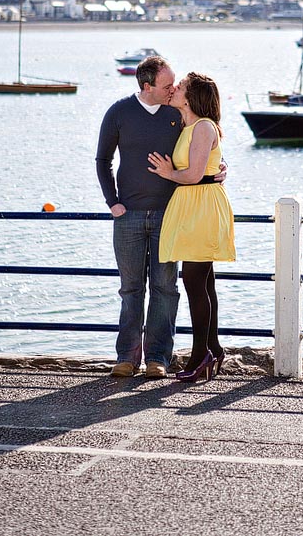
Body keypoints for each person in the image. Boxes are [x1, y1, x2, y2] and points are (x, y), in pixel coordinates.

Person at [95, 55, 226, 379]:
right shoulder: (119, 112)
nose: (172, 89)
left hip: (172, 214)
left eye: (175, 85)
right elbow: (103, 159)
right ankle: (127, 358)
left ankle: (158, 359)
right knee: (131, 289)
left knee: (166, 288)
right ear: (147, 85)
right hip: (129, 215)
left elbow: (204, 145)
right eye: (167, 85)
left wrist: (219, 171)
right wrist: (112, 202)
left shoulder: (177, 113)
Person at [148, 72, 236, 383]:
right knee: (204, 282)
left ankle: (202, 356)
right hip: (194, 206)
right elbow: (209, 167)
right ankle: (213, 349)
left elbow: (195, 174)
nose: (175, 89)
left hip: (201, 206)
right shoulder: (189, 126)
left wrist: (168, 172)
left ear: (191, 96)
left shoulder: (202, 127)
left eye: (181, 86)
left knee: (196, 283)